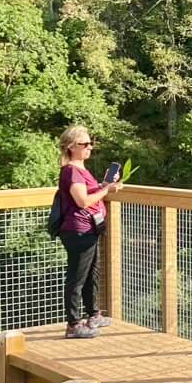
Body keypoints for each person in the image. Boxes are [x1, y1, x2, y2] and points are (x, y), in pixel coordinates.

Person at [56, 124, 120, 339]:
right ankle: (73, 324)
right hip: (78, 230)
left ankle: (93, 315)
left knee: (91, 273)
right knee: (77, 277)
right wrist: (106, 190)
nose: (89, 147)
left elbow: (88, 192)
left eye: (90, 143)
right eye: (84, 144)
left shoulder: (81, 170)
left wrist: (104, 184)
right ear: (72, 147)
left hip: (90, 228)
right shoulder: (72, 171)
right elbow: (82, 201)